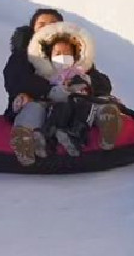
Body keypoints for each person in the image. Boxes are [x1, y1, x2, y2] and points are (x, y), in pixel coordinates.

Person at [9, 20, 125, 166]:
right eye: (58, 53)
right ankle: (24, 136)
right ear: (48, 57)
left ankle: (107, 119)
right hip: (50, 106)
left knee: (97, 103)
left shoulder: (82, 72)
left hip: (79, 104)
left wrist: (86, 82)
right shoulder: (43, 75)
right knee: (33, 108)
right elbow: (31, 88)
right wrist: (43, 93)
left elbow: (103, 85)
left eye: (67, 53)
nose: (62, 57)